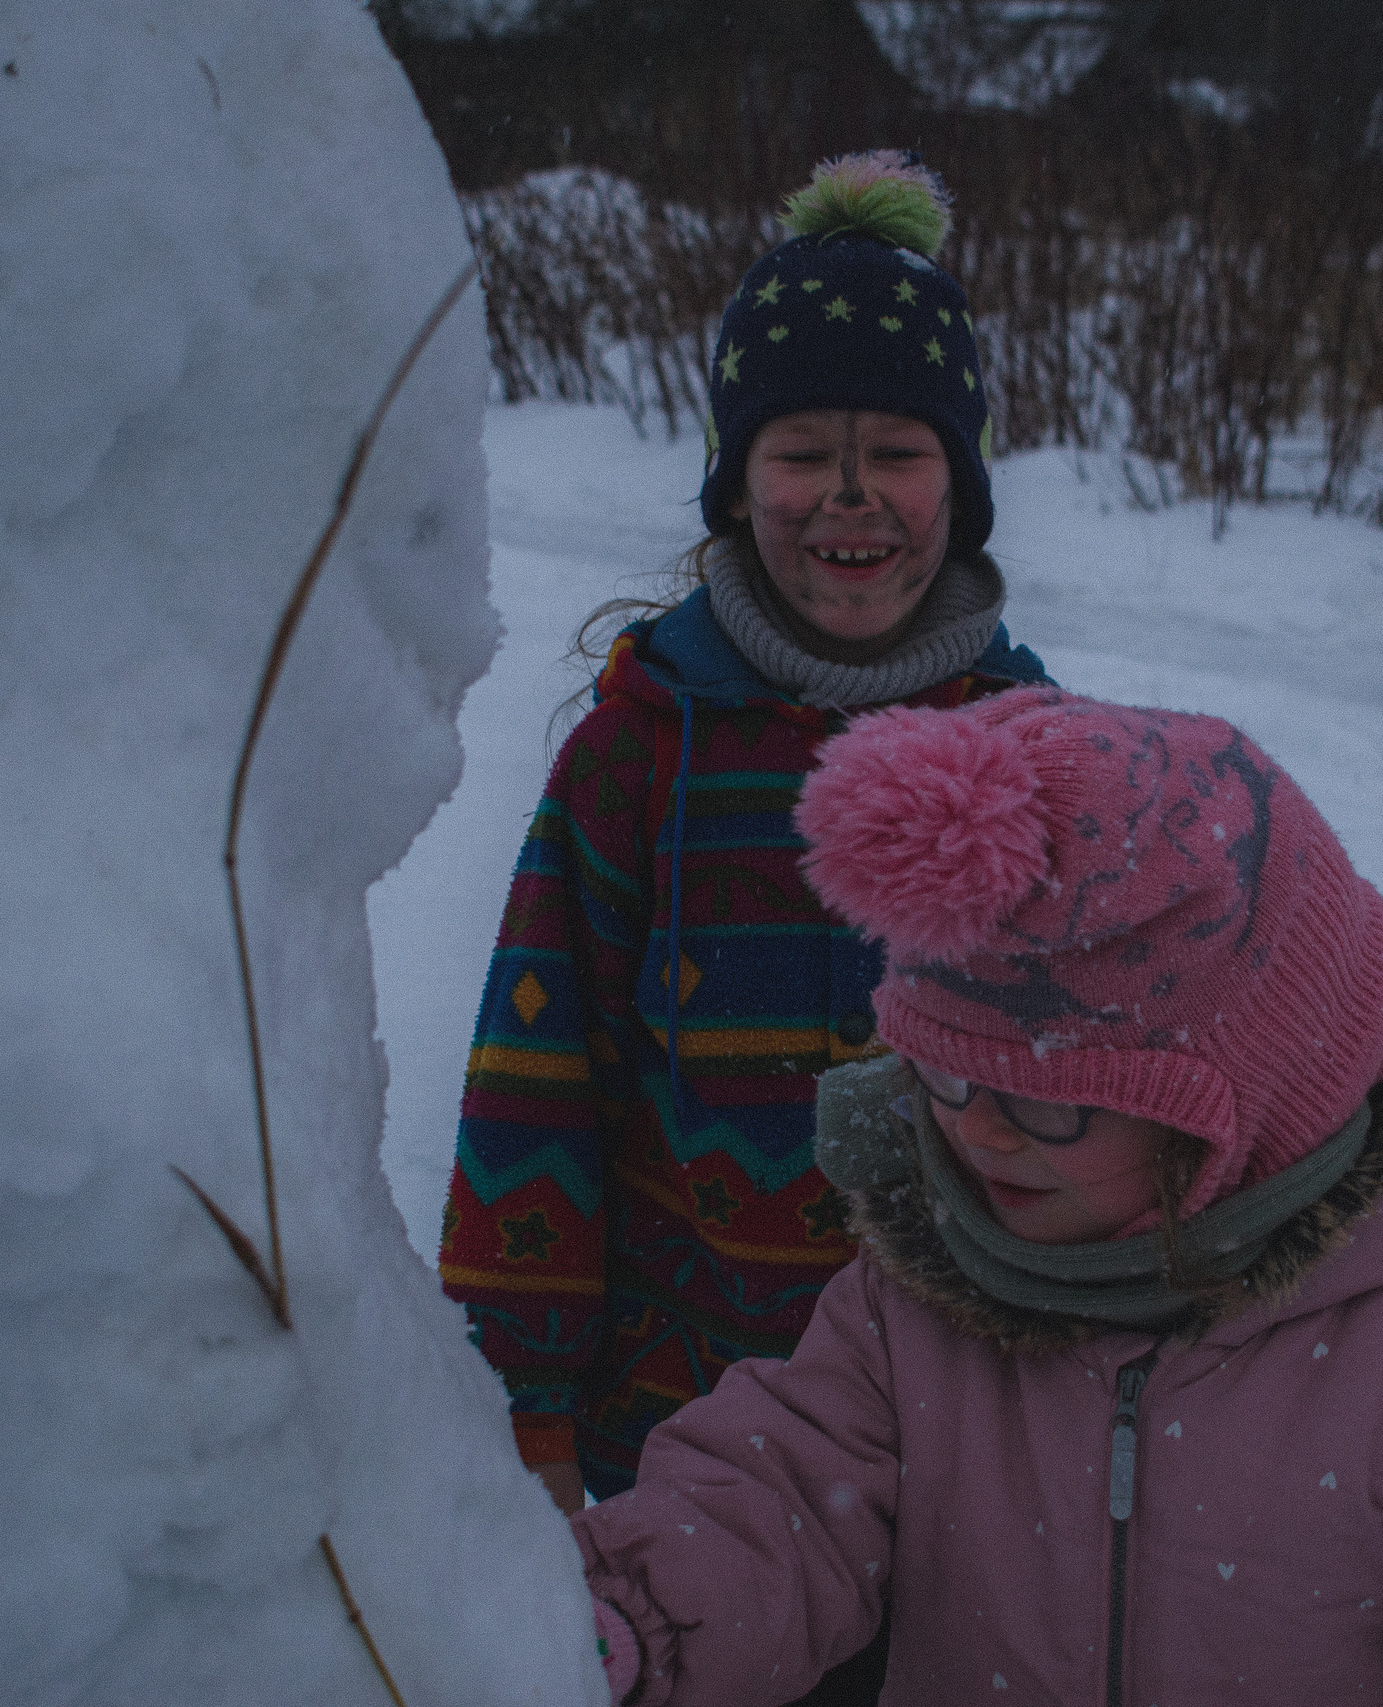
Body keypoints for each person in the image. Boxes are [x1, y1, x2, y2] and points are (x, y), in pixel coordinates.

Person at [571, 690, 1383, 1706]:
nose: (972, 1126)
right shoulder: (905, 1314)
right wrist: (610, 1629)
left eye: (1051, 1098)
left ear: (1245, 1102)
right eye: (945, 1073)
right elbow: (772, 1509)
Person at [437, 148, 1048, 1532]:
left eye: (897, 451)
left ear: (959, 484)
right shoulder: (641, 753)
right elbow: (536, 1081)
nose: (851, 494)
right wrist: (516, 1397)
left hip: (965, 1440)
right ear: (732, 482)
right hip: (684, 1433)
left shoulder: (1034, 753)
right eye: (798, 452)